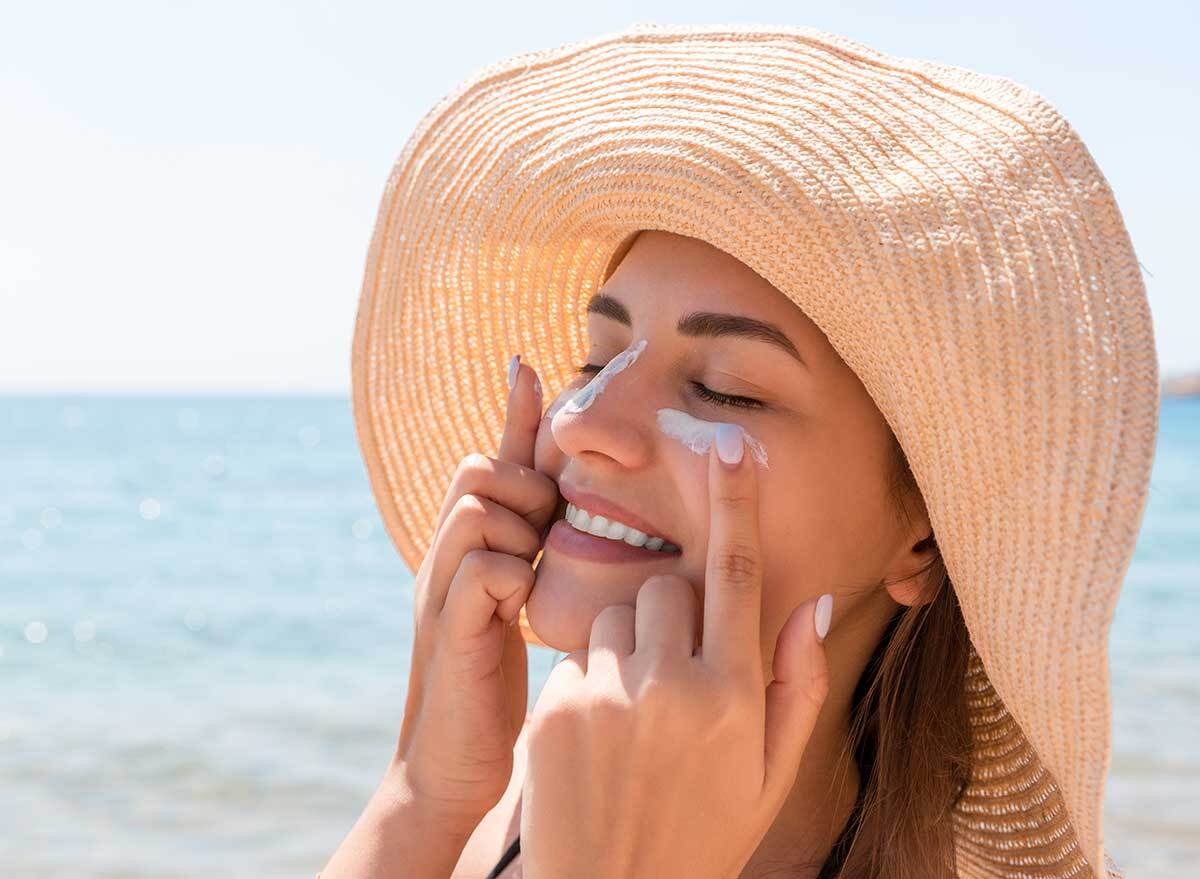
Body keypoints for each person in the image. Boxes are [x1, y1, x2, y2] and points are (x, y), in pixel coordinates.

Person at [319, 22, 1156, 879]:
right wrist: (423, 792)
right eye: (597, 361)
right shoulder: (550, 772)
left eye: (725, 389)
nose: (582, 423)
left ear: (924, 536)